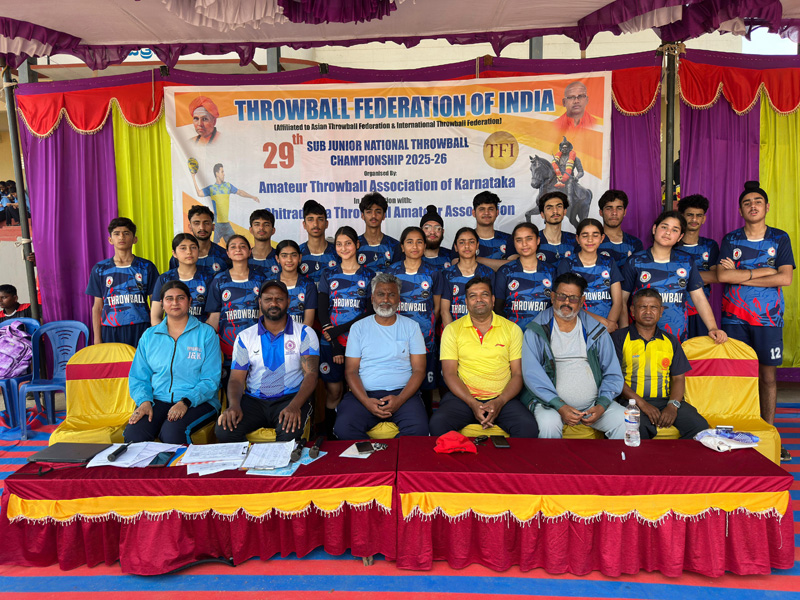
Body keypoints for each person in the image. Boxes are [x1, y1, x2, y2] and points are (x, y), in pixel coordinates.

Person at [717, 181, 795, 461]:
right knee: (738, 376)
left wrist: (742, 274)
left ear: (767, 207)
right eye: (747, 202)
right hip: (734, 318)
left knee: (767, 376)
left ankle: (769, 434)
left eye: (758, 202)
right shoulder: (731, 239)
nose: (753, 206)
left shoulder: (779, 238)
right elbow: (723, 276)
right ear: (740, 210)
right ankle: (739, 433)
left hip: (768, 319)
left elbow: (785, 278)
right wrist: (763, 271)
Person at [429, 276, 539, 438]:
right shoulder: (452, 330)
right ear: (466, 302)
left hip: (502, 397)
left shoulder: (512, 329)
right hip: (464, 398)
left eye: (484, 294)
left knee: (528, 428)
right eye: (473, 296)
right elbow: (449, 373)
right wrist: (472, 403)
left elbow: (517, 374)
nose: (479, 299)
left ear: (493, 300)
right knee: (438, 424)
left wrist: (500, 402)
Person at [521, 273, 626, 439]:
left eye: (573, 298)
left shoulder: (597, 331)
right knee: (549, 423)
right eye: (562, 296)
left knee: (624, 420)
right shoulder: (536, 330)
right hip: (550, 405)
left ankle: (616, 458)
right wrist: (559, 405)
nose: (567, 302)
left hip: (593, 406)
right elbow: (532, 374)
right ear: (553, 297)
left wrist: (602, 405)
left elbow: (612, 373)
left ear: (582, 301)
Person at [216, 280, 319, 442]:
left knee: (288, 433)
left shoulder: (305, 333)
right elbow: (236, 379)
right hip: (254, 401)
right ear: (260, 302)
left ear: (288, 301)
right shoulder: (245, 337)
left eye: (279, 299)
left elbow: (311, 375)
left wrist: (294, 406)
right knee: (225, 430)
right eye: (268, 299)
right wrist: (234, 405)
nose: (274, 303)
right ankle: (249, 459)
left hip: (290, 398)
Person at [334, 272, 429, 439]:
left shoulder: (412, 327)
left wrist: (400, 400)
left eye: (391, 294)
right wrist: (366, 401)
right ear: (372, 299)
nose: (386, 299)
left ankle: (394, 455)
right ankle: (373, 455)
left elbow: (419, 370)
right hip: (365, 394)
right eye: (380, 294)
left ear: (398, 299)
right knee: (343, 428)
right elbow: (351, 371)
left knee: (418, 430)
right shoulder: (359, 328)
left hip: (403, 394)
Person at [125, 281, 221, 444]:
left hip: (197, 401)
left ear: (190, 302)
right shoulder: (149, 336)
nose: (175, 303)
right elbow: (139, 377)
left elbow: (210, 379)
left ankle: (180, 462)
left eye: (180, 298)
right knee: (135, 433)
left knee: (172, 433)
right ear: (162, 304)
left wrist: (186, 402)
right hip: (157, 399)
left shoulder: (206, 334)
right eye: (169, 299)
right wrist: (144, 401)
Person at [612, 288, 708, 440]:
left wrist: (672, 406)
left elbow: (678, 378)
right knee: (638, 428)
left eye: (654, 307)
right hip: (631, 402)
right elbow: (615, 378)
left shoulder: (670, 340)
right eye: (643, 307)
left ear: (661, 311)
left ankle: (675, 456)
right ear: (633, 310)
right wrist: (643, 405)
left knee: (700, 427)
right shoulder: (619, 338)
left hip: (665, 401)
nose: (648, 312)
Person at [621, 211, 727, 344]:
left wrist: (713, 328)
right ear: (654, 229)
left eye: (675, 230)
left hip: (677, 338)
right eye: (664, 227)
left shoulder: (686, 261)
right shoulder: (635, 261)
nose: (668, 232)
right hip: (641, 338)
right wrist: (624, 333)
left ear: (680, 237)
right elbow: (622, 300)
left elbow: (699, 298)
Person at [317, 226, 376, 433]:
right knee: (334, 391)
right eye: (339, 244)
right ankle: (330, 436)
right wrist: (334, 342)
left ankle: (351, 431)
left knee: (359, 390)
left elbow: (369, 312)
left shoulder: (369, 275)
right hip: (330, 342)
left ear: (357, 245)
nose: (344, 248)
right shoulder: (328, 274)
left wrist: (339, 330)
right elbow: (322, 309)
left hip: (359, 343)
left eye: (348, 243)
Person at [387, 227, 443, 413]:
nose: (415, 246)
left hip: (425, 339)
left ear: (425, 246)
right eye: (409, 242)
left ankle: (426, 422)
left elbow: (436, 308)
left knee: (426, 387)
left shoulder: (433, 273)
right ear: (402, 247)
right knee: (399, 383)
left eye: (419, 242)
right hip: (397, 338)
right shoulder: (392, 272)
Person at [86, 217, 158, 348]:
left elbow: (156, 302)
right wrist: (97, 339)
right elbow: (97, 307)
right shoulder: (100, 269)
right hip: (110, 328)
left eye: (126, 233)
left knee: (139, 361)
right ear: (110, 240)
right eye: (117, 233)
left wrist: (155, 330)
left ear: (134, 239)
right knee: (114, 362)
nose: (121, 237)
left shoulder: (147, 267)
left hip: (141, 327)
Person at [205, 235, 268, 360]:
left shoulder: (260, 278)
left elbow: (264, 315)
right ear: (228, 253)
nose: (238, 249)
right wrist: (206, 343)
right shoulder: (219, 280)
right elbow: (214, 316)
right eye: (233, 247)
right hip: (228, 345)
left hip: (256, 344)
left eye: (242, 246)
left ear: (249, 252)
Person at [557, 218, 622, 332]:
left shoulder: (609, 263)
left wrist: (610, 324)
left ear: (602, 238)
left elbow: (618, 302)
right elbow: (565, 302)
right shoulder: (567, 264)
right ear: (578, 239)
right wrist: (603, 323)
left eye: (595, 235)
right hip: (576, 328)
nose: (590, 240)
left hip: (607, 329)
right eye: (585, 235)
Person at [494, 222, 555, 330]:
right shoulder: (505, 271)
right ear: (514, 243)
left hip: (543, 335)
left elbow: (556, 307)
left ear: (538, 240)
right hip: (513, 336)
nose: (524, 244)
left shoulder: (551, 271)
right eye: (519, 240)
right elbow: (498, 309)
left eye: (529, 239)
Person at [677, 194, 719, 338]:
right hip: (675, 311)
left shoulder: (710, 245)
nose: (694, 219)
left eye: (698, 215)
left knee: (698, 350)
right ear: (681, 216)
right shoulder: (671, 244)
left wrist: (682, 278)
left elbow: (716, 276)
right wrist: (702, 278)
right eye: (690, 215)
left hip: (700, 311)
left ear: (704, 219)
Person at [152, 234, 214, 325]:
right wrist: (163, 333)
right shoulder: (165, 279)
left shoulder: (209, 278)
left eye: (193, 247)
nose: (189, 252)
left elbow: (214, 315)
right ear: (174, 253)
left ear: (198, 251)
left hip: (200, 332)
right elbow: (155, 316)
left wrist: (204, 333)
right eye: (183, 248)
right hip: (171, 332)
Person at [192, 163, 260, 244]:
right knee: (212, 246)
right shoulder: (212, 188)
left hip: (226, 224)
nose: (224, 174)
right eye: (222, 172)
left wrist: (252, 197)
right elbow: (199, 193)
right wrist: (193, 177)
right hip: (217, 225)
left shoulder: (227, 186)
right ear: (217, 174)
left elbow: (240, 192)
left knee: (234, 244)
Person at [441, 227, 495, 326]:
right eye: (462, 242)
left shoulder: (488, 273)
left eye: (471, 242)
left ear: (477, 245)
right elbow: (444, 311)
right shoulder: (447, 274)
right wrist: (451, 334)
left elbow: (492, 307)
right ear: (456, 247)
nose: (467, 246)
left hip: (482, 330)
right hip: (455, 330)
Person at [170, 205, 230, 274]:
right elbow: (172, 279)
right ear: (190, 227)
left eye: (206, 223)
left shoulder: (224, 255)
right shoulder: (179, 256)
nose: (202, 227)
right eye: (196, 223)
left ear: (213, 227)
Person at [597, 190, 643, 269]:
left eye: (619, 208)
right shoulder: (591, 241)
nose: (614, 213)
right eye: (609, 208)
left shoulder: (635, 244)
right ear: (601, 212)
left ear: (625, 212)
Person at [276, 239, 317, 327]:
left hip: (300, 334)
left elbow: (308, 322)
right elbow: (263, 317)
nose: (289, 260)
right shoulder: (270, 283)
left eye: (293, 255)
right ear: (277, 258)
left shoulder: (308, 285)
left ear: (300, 257)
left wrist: (298, 335)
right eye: (284, 256)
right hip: (274, 335)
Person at [470, 191, 515, 270]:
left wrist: (474, 259)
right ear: (474, 213)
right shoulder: (464, 238)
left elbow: (514, 265)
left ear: (497, 212)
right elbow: (457, 265)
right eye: (482, 209)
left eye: (490, 209)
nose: (486, 213)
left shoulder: (508, 239)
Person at [356, 192, 400, 271]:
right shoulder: (355, 245)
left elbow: (398, 274)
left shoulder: (395, 246)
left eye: (378, 212)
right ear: (362, 216)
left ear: (383, 216)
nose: (373, 216)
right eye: (369, 212)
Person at [299, 200, 339, 284]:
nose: (315, 224)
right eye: (310, 219)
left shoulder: (338, 252)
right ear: (304, 224)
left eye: (320, 219)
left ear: (326, 224)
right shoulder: (297, 253)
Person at [537, 191, 577, 265]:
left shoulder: (575, 240)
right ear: (542, 214)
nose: (555, 211)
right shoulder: (534, 240)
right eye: (549, 208)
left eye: (559, 206)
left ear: (564, 212)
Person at [420, 205, 455, 270]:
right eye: (427, 228)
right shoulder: (411, 256)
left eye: (437, 228)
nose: (432, 232)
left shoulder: (452, 256)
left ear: (442, 232)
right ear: (420, 230)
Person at [248, 209, 279, 274]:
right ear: (251, 230)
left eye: (266, 224)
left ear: (273, 230)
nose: (261, 228)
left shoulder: (280, 258)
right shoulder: (243, 257)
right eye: (257, 224)